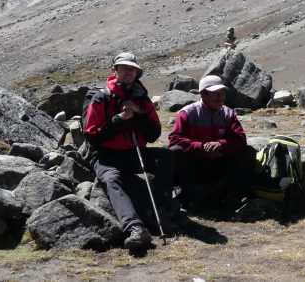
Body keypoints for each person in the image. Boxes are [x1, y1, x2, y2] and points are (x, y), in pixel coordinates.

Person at [83, 52, 161, 250]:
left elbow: (154, 134)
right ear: (114, 70)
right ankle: (135, 228)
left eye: (132, 69)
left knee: (168, 158)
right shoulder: (101, 97)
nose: (128, 72)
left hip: (134, 153)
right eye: (124, 68)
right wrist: (118, 121)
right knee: (111, 179)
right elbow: (92, 136)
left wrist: (138, 114)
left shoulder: (142, 99)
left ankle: (172, 208)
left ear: (137, 73)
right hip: (106, 155)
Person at [168, 75, 253, 210]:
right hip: (195, 164)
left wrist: (221, 144)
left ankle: (236, 196)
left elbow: (240, 139)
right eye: (215, 94)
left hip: (219, 161)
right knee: (175, 152)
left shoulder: (228, 114)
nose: (220, 97)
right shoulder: (187, 113)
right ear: (203, 94)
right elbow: (175, 139)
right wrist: (201, 147)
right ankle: (185, 196)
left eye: (222, 93)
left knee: (246, 151)